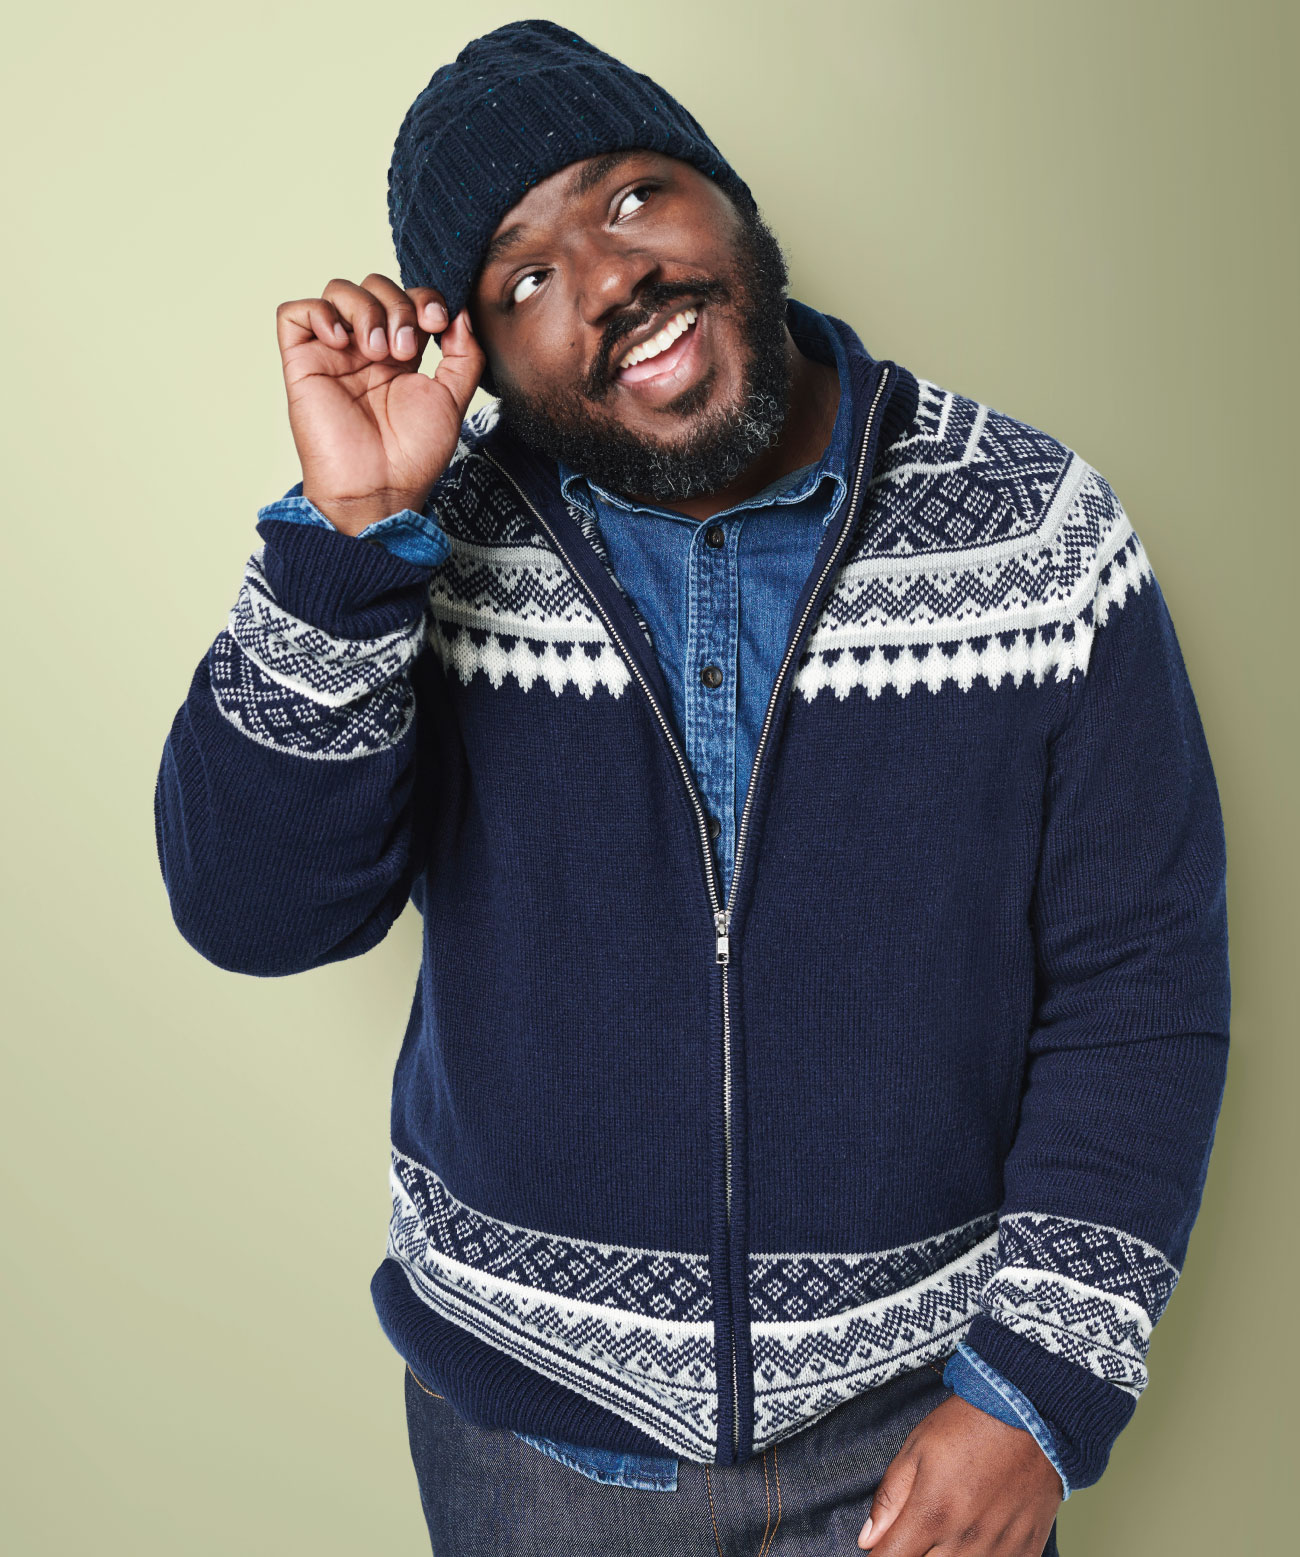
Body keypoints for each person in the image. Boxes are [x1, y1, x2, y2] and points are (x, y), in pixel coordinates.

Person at [153, 20, 1231, 1556]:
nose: (605, 277)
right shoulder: (418, 540)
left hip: (928, 1434)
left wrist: (1035, 1392)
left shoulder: (1037, 531)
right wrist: (346, 542)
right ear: (483, 359)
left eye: (634, 195)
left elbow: (1142, 980)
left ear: (726, 200)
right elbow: (253, 910)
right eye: (523, 278)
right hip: (533, 1449)